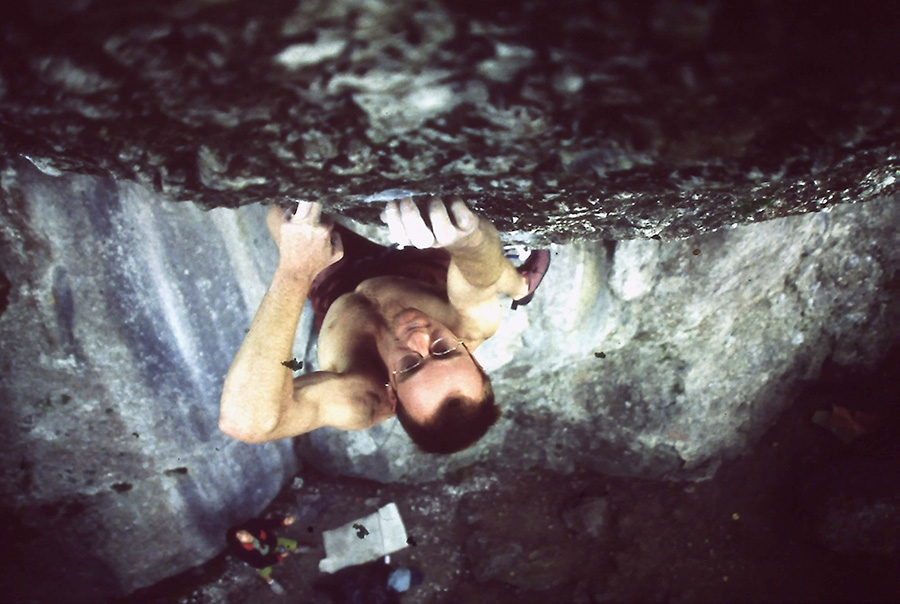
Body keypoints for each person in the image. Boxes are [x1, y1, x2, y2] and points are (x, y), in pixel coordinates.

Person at [219, 196, 549, 454]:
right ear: (473, 358)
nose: (418, 337)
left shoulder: (360, 400)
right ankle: (521, 286)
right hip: (419, 269)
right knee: (488, 268)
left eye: (410, 365)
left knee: (282, 213)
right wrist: (468, 239)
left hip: (339, 287)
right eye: (443, 349)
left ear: (391, 396)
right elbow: (477, 277)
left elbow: (246, 423)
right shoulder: (471, 326)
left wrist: (295, 272)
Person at [225, 515, 300, 593]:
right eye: (240, 537)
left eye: (241, 531)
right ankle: (271, 582)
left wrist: (283, 522)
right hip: (263, 558)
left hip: (272, 544)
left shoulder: (252, 525)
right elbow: (260, 563)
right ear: (240, 543)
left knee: (291, 544)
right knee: (264, 571)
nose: (245, 534)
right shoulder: (243, 553)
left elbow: (268, 523)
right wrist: (278, 557)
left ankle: (296, 550)